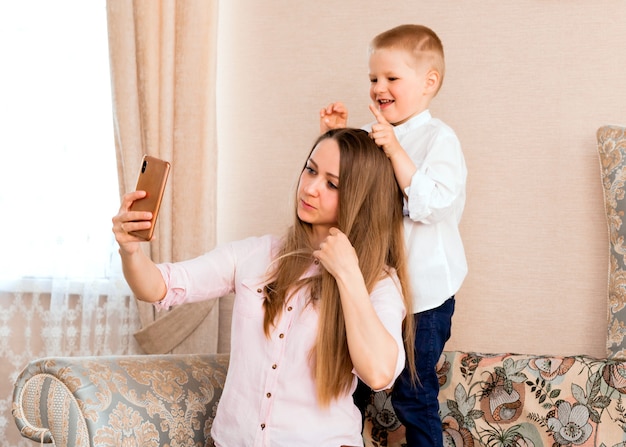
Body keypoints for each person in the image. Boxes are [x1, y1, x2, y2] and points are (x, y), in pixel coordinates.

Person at [112, 128, 416, 447]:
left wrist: (348, 275)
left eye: (332, 184)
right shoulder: (257, 255)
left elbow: (380, 374)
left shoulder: (379, 283)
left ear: (361, 198)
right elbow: (160, 286)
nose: (310, 188)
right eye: (310, 170)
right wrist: (130, 251)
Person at [319, 24, 468, 447]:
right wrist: (341, 136)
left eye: (391, 78)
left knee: (412, 393)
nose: (379, 87)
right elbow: (343, 194)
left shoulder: (440, 139)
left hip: (423, 298)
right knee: (352, 385)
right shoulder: (372, 135)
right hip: (373, 292)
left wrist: (394, 149)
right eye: (373, 79)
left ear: (428, 82)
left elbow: (431, 205)